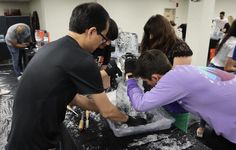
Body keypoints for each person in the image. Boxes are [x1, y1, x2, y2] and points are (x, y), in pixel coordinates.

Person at [5, 3, 145, 150]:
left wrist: (101, 107)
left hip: (21, 135)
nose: (102, 44)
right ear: (92, 32)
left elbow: (74, 98)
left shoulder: (52, 47)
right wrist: (129, 119)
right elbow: (107, 111)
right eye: (103, 38)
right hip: (35, 141)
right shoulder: (82, 59)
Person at [125, 49, 236, 149]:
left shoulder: (171, 80)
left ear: (155, 77)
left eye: (146, 81)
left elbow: (140, 104)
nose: (147, 85)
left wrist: (130, 78)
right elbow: (208, 98)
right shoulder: (182, 71)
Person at [140, 14, 193, 131]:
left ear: (162, 33)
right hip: (155, 100)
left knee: (176, 138)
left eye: (153, 34)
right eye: (148, 34)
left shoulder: (180, 49)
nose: (150, 37)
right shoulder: (150, 44)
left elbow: (177, 83)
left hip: (174, 105)